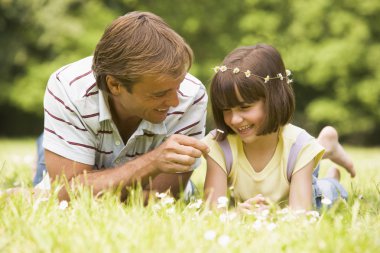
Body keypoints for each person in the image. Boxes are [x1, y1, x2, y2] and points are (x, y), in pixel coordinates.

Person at [34, 11, 209, 201]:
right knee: (52, 186)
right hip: (80, 134)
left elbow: (160, 198)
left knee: (43, 196)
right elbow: (66, 192)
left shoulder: (191, 96)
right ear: (115, 85)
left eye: (178, 86)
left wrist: (88, 189)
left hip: (88, 155)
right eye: (159, 94)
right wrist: (153, 161)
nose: (175, 102)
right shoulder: (68, 87)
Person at [203, 44, 355, 211]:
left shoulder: (299, 145)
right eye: (226, 109)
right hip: (292, 167)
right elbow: (212, 212)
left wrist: (274, 214)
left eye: (244, 107)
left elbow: (300, 214)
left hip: (301, 183)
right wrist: (238, 214)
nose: (234, 119)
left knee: (323, 194)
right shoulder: (219, 145)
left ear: (273, 99)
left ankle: (331, 175)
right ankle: (325, 146)